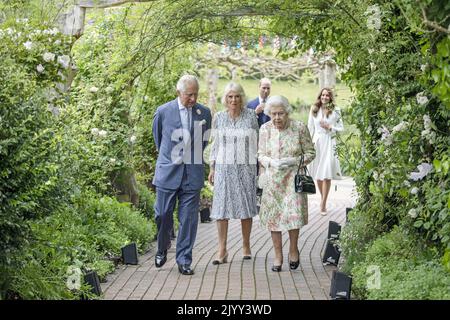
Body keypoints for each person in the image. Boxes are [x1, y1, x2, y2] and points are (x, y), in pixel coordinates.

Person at [152, 74, 212, 275]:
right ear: (179, 93)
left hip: (191, 174)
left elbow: (203, 141)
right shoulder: (163, 111)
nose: (193, 99)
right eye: (189, 95)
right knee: (162, 214)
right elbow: (159, 141)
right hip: (168, 172)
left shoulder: (204, 113)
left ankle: (184, 260)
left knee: (188, 219)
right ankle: (162, 247)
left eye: (195, 94)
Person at [258, 95, 315, 272]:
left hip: (293, 179)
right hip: (273, 181)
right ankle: (277, 255)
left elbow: (311, 153)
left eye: (280, 114)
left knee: (293, 216)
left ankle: (293, 249)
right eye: (273, 114)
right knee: (274, 218)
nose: (277, 118)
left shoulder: (299, 127)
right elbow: (260, 154)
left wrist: (294, 161)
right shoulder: (265, 129)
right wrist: (270, 162)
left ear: (287, 112)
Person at [208, 82, 259, 264]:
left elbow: (256, 142)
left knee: (245, 207)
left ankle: (246, 245)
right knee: (221, 209)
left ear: (242, 98)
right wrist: (212, 167)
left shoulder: (251, 116)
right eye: (230, 96)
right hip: (223, 167)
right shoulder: (219, 117)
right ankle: (222, 249)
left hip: (245, 167)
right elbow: (215, 144)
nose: (234, 100)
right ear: (225, 99)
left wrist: (258, 166)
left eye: (237, 96)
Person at [307, 87, 344, 215]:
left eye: (327, 95)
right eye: (323, 95)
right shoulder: (314, 109)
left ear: (330, 97)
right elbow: (310, 127)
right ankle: (323, 199)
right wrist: (308, 143)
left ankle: (323, 204)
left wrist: (330, 127)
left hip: (329, 141)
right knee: (318, 174)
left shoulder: (336, 110)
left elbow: (341, 128)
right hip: (317, 142)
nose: (324, 97)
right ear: (320, 96)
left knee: (326, 173)